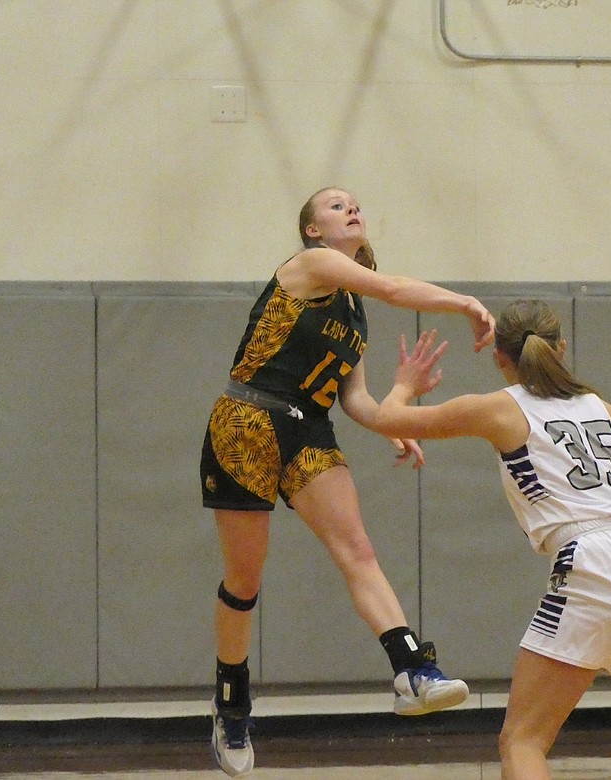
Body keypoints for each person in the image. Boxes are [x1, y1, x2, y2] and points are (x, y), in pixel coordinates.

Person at [198, 187, 496, 777]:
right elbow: (391, 287)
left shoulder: (352, 316)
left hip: (308, 429)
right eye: (335, 206)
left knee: (356, 548)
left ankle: (412, 670)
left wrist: (402, 407)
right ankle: (231, 701)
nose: (351, 208)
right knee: (245, 578)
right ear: (312, 231)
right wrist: (463, 301)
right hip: (247, 420)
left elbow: (358, 403)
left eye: (355, 203)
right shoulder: (310, 268)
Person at [372, 299, 611, 780]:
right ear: (561, 349)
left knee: (522, 739)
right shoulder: (603, 409)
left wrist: (403, 387)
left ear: (500, 358)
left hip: (593, 558)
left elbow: (384, 419)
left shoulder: (498, 408)